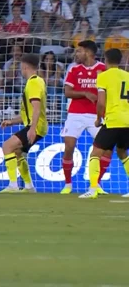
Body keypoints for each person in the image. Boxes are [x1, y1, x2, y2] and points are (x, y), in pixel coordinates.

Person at [61, 40, 109, 195]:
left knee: (106, 150)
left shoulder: (103, 69)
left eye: (79, 51)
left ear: (88, 52)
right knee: (69, 147)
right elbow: (67, 92)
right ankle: (68, 184)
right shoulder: (74, 70)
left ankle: (96, 184)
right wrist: (84, 93)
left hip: (97, 114)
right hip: (75, 113)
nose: (77, 53)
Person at [79, 48, 129, 199]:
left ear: (106, 60)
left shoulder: (103, 76)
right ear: (120, 61)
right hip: (127, 121)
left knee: (96, 152)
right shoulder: (127, 75)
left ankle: (93, 189)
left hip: (113, 119)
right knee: (122, 153)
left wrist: (98, 118)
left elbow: (101, 102)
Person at [0, 54, 47, 193]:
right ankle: (29, 187)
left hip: (36, 126)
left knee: (7, 146)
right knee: (18, 152)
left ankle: (13, 185)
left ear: (25, 66)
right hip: (37, 125)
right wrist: (12, 121)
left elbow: (37, 108)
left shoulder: (33, 83)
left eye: (21, 66)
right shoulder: (38, 81)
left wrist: (32, 129)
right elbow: (30, 112)